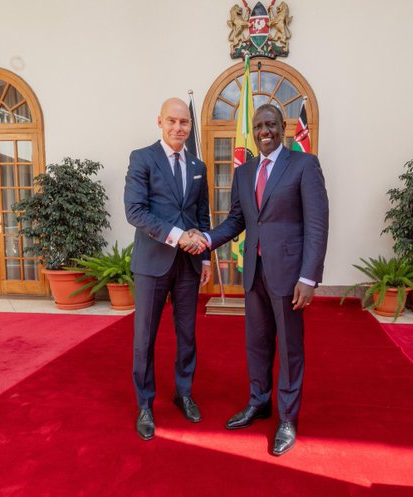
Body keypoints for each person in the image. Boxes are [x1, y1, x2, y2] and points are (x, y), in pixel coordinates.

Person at [187, 103, 329, 456]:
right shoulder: (245, 171)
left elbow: (317, 225)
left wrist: (309, 277)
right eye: (259, 126)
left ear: (283, 127)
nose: (265, 131)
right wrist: (206, 239)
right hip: (254, 271)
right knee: (257, 343)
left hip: (289, 273)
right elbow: (238, 220)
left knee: (290, 348)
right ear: (253, 131)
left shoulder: (304, 165)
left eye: (271, 124)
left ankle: (287, 418)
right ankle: (259, 401)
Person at [124, 97, 211, 441]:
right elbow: (135, 211)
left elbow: (202, 216)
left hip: (189, 266)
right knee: (144, 338)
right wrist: (178, 237)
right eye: (172, 121)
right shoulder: (142, 158)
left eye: (184, 123)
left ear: (190, 126)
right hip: (152, 264)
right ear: (160, 121)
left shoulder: (198, 165)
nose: (179, 128)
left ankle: (183, 392)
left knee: (187, 335)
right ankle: (145, 402)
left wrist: (204, 257)